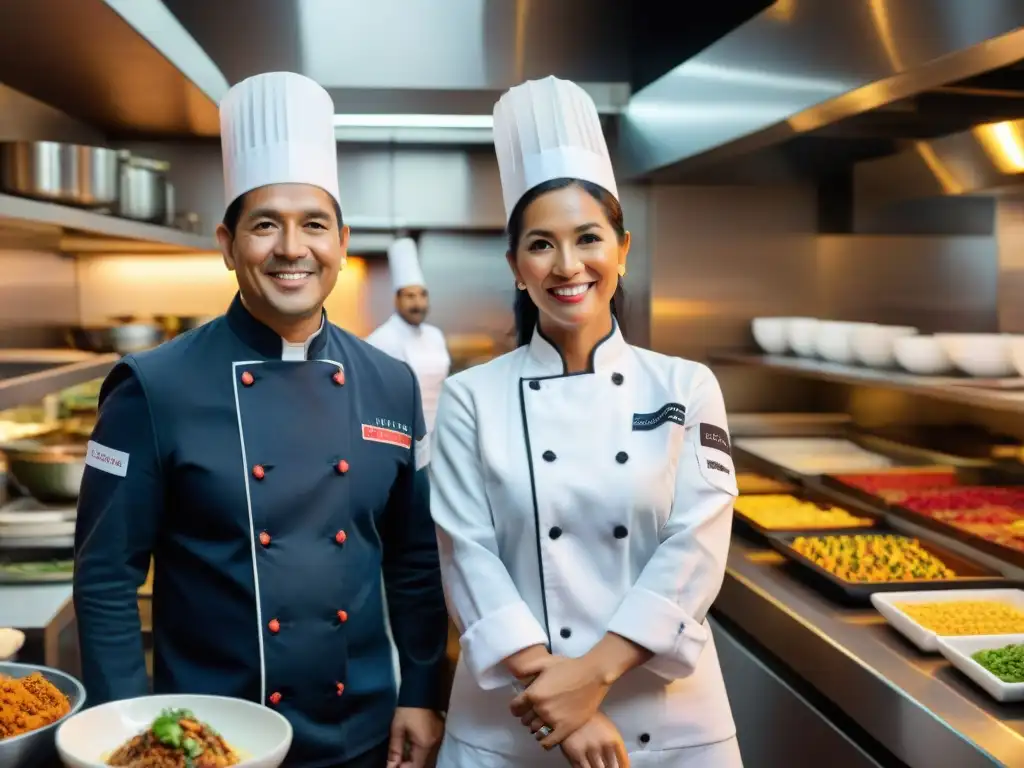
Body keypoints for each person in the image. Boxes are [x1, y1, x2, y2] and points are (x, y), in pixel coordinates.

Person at [73, 71, 449, 768]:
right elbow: (105, 577)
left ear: (341, 239)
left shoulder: (390, 384)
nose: (290, 248)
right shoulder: (151, 386)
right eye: (265, 225)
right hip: (209, 742)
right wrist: (128, 736)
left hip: (362, 733)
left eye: (313, 224)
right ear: (227, 243)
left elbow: (414, 561)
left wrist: (422, 689)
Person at [428, 75, 743, 767]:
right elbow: (467, 559)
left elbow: (696, 548)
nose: (567, 265)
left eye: (588, 239)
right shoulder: (469, 397)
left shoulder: (687, 386)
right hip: (512, 725)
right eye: (541, 244)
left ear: (622, 250)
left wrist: (590, 677)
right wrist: (560, 708)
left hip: (671, 724)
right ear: (516, 266)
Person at [366, 237, 451, 434]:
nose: (418, 304)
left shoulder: (435, 335)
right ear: (397, 299)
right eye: (410, 296)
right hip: (400, 433)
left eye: (423, 295)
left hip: (439, 430)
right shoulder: (380, 340)